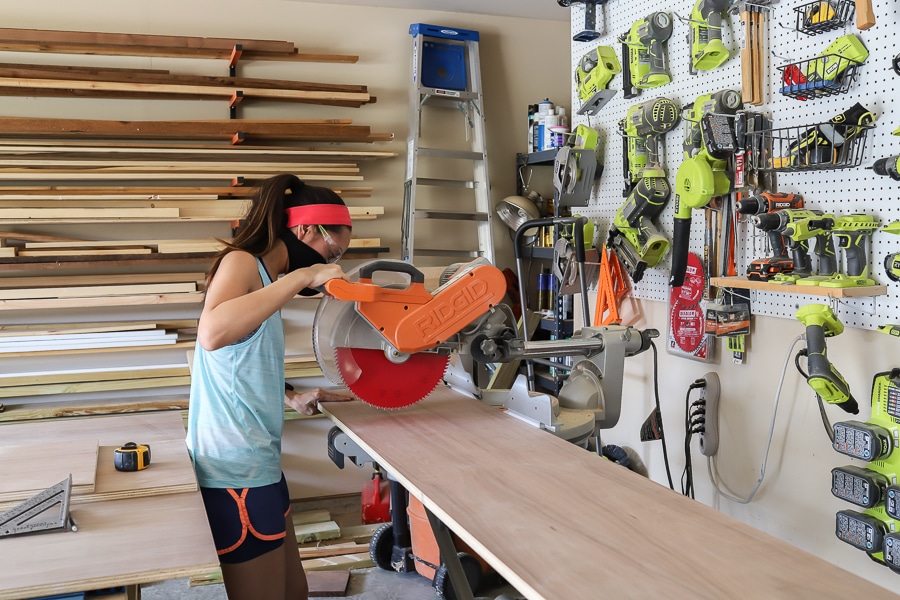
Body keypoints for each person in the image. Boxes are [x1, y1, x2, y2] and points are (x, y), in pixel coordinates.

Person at [186, 173, 354, 600]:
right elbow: (212, 334)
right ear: (305, 230)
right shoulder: (244, 263)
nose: (330, 264)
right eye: (332, 251)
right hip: (233, 471)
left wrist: (293, 397)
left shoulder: (266, 279)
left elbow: (236, 360)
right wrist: (301, 278)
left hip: (260, 464)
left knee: (294, 591)